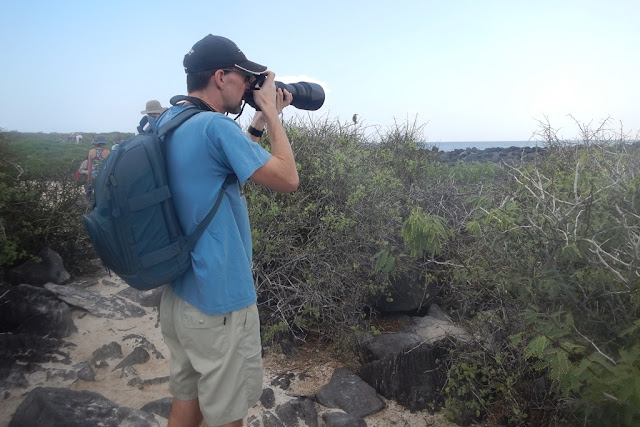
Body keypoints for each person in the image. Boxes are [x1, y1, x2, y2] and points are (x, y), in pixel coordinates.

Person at [157, 34, 298, 427]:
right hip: (218, 302)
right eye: (244, 77)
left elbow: (220, 175)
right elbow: (287, 178)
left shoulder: (170, 121)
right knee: (227, 415)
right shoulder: (215, 129)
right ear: (221, 76)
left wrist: (253, 125)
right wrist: (271, 113)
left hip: (180, 297)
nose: (250, 87)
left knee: (187, 400)